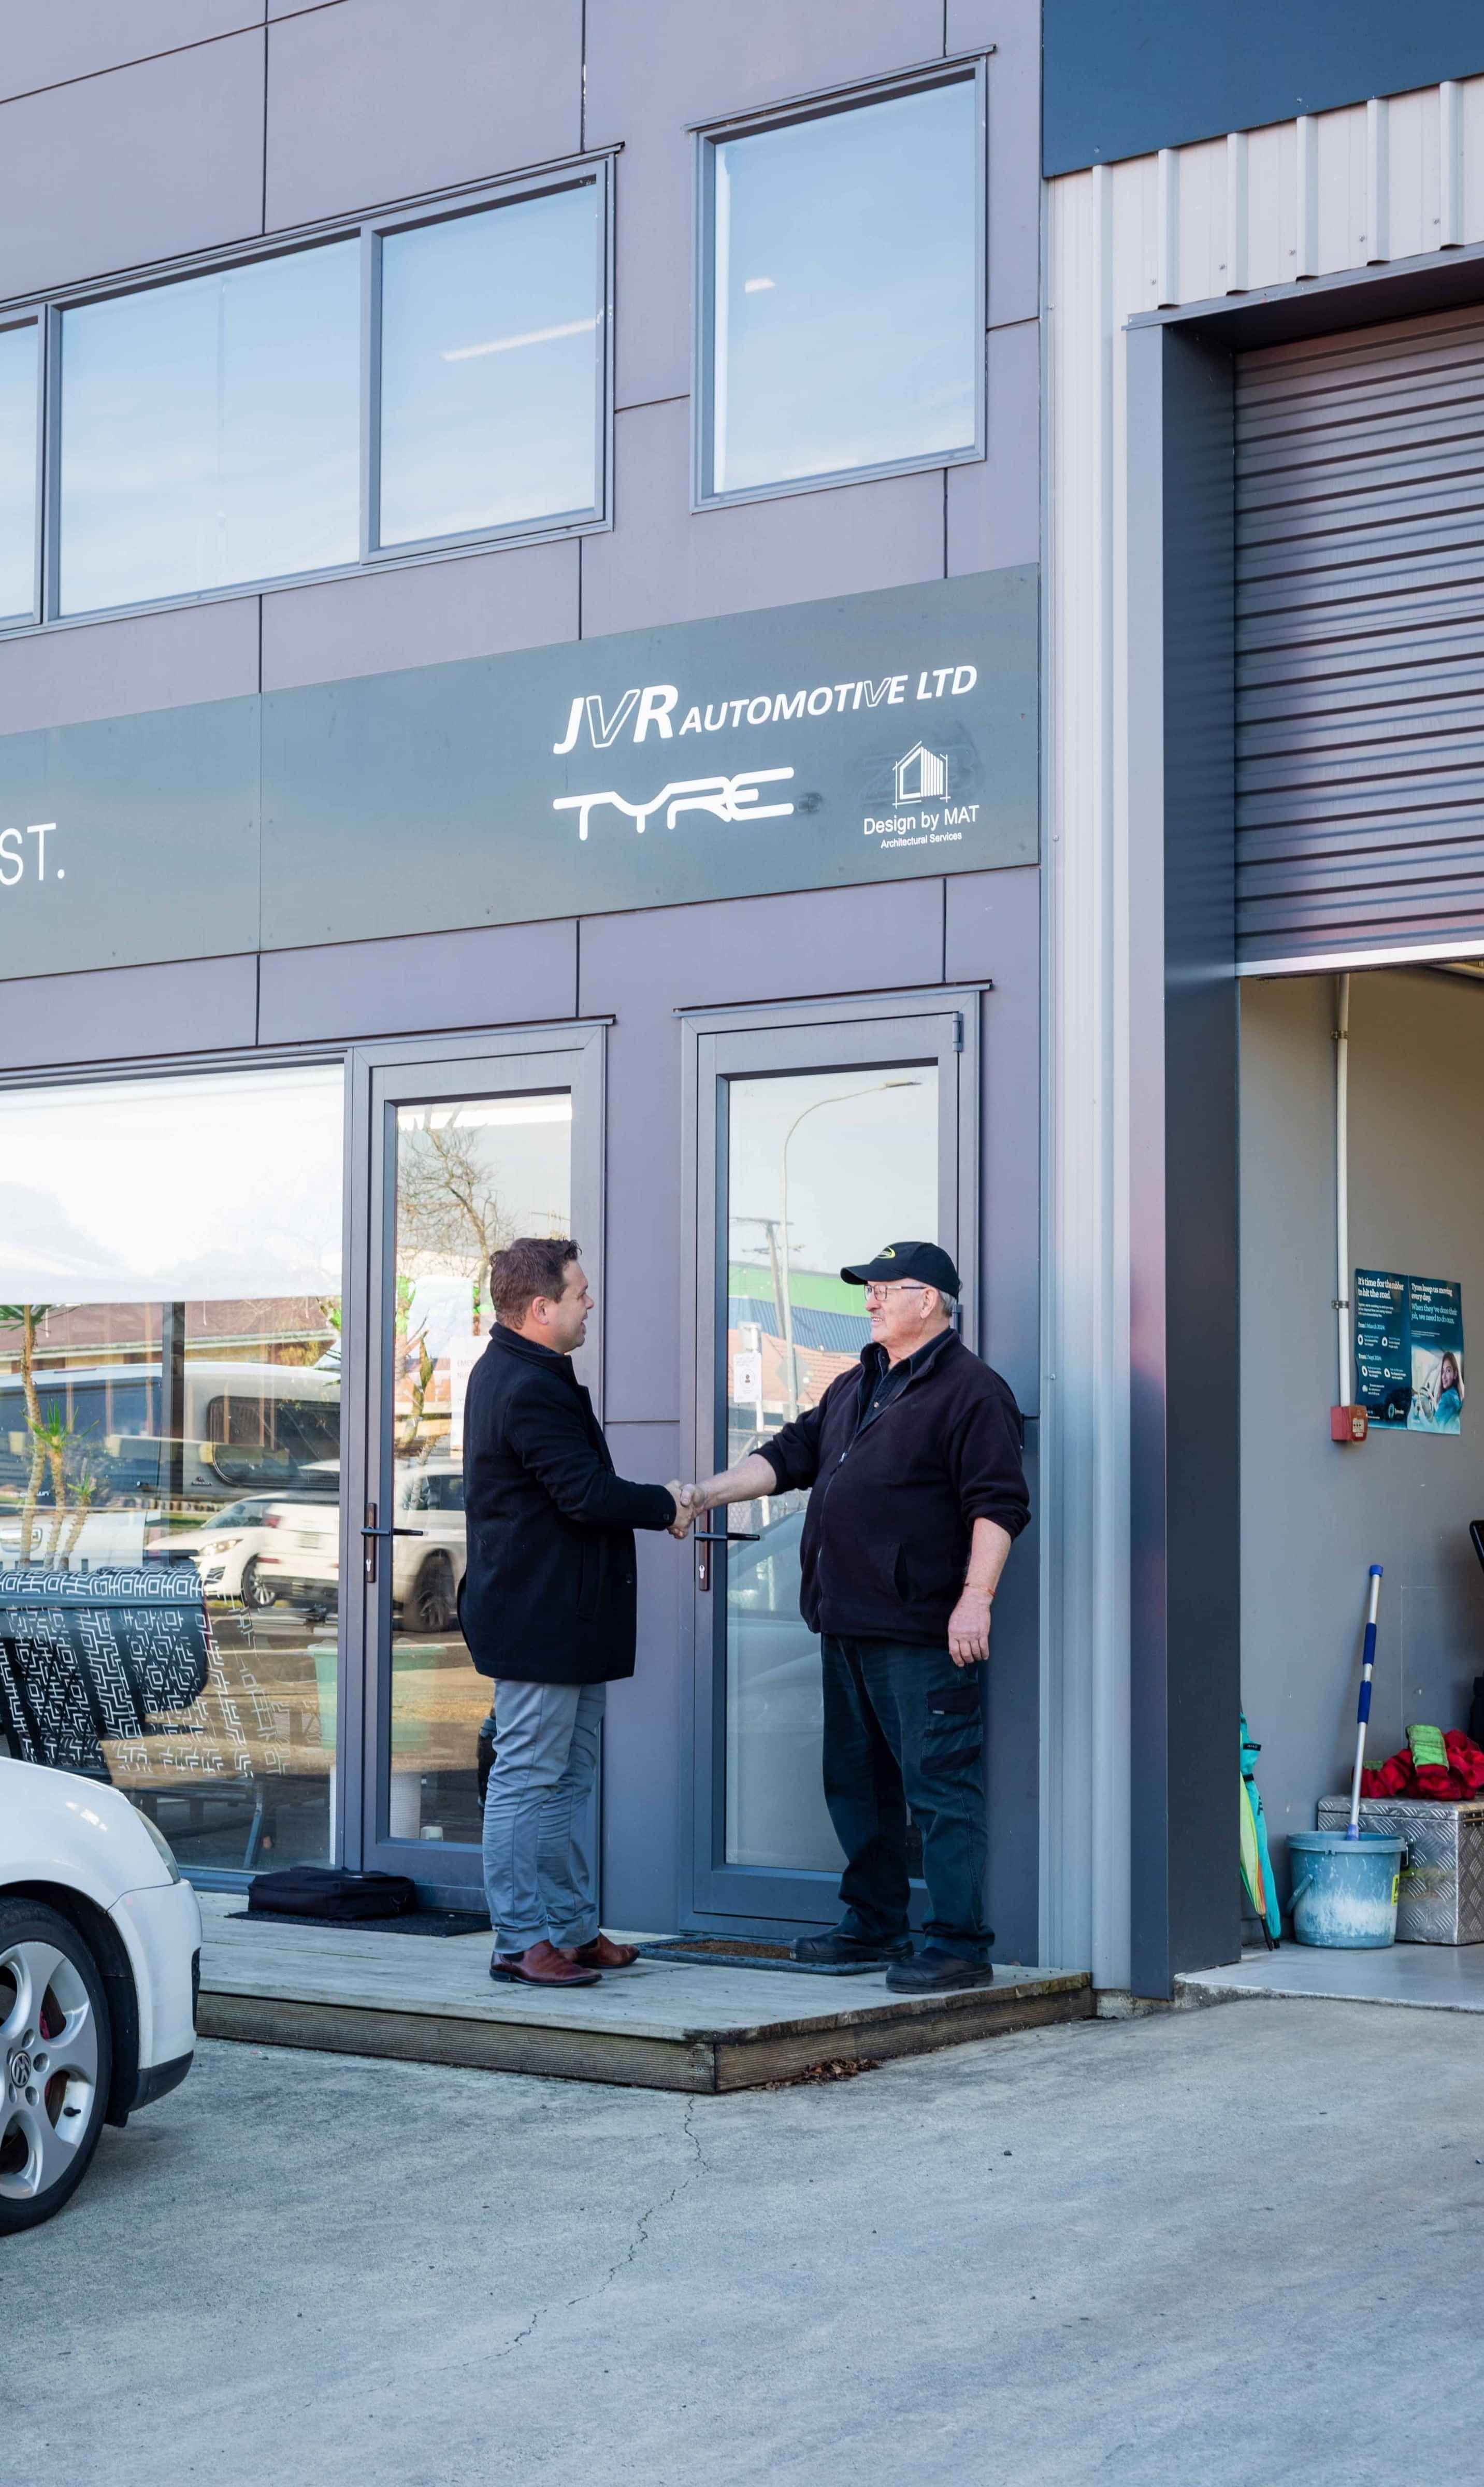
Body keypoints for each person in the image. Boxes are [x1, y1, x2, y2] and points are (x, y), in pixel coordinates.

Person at [680, 1241, 1029, 1992]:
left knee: (939, 1787)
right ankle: (874, 1924)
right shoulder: (857, 1385)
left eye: (880, 1290)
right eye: (864, 1290)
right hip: (845, 1622)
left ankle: (959, 1944)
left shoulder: (972, 1392)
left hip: (922, 1631)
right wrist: (703, 1495)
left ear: (927, 1299)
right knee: (856, 1784)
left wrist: (976, 1599)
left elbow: (997, 1504)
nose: (867, 1302)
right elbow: (786, 1456)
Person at [461, 1236, 693, 1988]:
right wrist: (669, 1503)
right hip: (539, 1621)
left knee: (564, 1780)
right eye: (580, 1292)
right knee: (527, 1779)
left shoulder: (530, 1372)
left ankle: (570, 1929)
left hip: (570, 1620)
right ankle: (517, 1941)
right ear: (541, 1307)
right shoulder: (523, 1384)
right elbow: (585, 1494)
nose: (590, 1302)